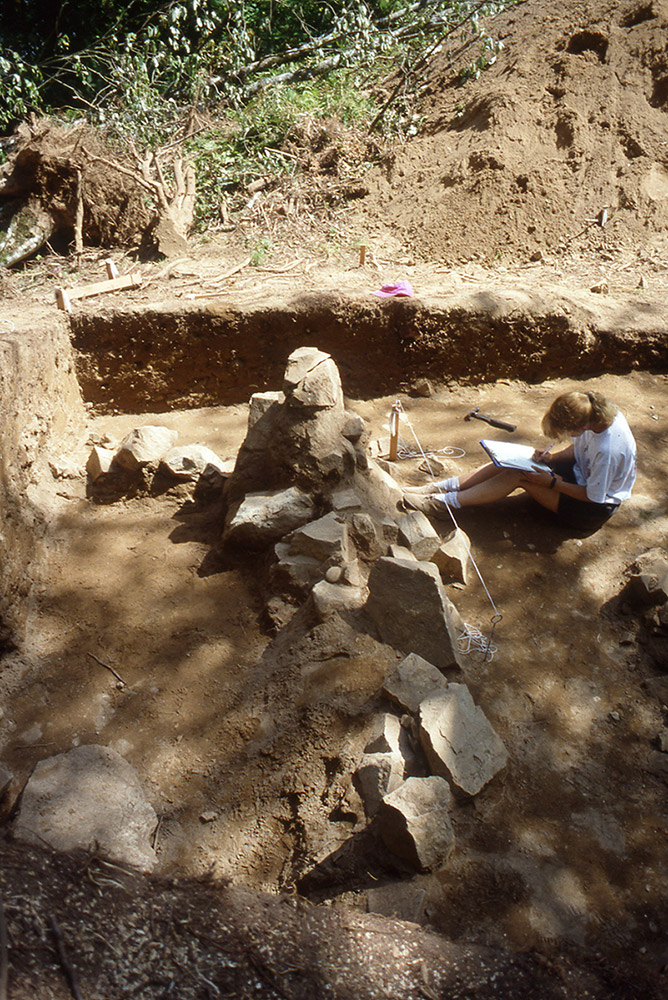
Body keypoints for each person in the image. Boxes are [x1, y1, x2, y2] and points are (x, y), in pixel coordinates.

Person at [402, 389, 637, 532]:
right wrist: (552, 458)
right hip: (580, 476)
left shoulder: (609, 451)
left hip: (590, 509)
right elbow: (578, 449)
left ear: (583, 426)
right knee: (514, 461)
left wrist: (552, 483)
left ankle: (444, 504)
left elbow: (593, 496)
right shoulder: (593, 414)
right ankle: (439, 487)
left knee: (518, 475)